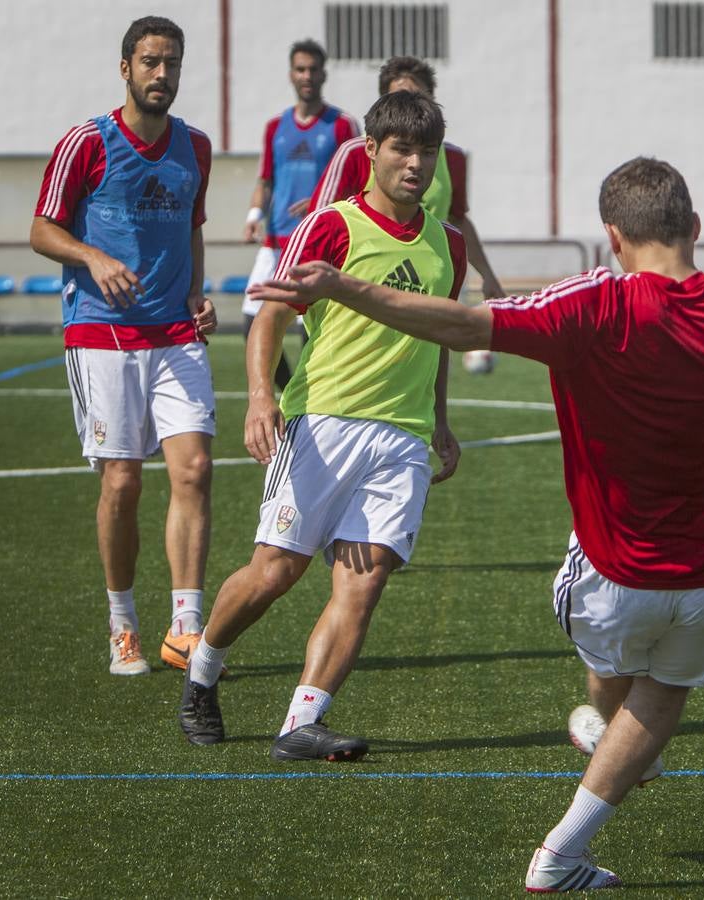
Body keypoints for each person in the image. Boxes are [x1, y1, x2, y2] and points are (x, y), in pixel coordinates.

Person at [249, 157, 704, 891]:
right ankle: (564, 846)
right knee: (665, 691)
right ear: (697, 227)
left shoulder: (586, 306)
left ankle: (595, 758)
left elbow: (459, 324)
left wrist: (345, 285)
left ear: (613, 237)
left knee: (618, 675)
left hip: (609, 578)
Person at [177, 90, 467, 759]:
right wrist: (259, 398)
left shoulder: (446, 245)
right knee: (275, 572)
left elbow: (440, 337)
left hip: (402, 436)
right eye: (401, 148)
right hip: (323, 424)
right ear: (371, 152)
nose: (415, 164)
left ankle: (300, 722)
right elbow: (270, 318)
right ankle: (202, 672)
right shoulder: (330, 226)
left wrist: (440, 422)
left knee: (363, 582)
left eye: (427, 152)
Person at [30, 16, 217, 677]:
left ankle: (186, 628)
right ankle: (123, 625)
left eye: (172, 63)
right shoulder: (87, 142)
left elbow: (193, 229)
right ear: (126, 68)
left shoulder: (195, 145)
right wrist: (92, 257)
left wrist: (196, 293)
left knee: (193, 471)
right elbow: (42, 229)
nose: (161, 74)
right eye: (149, 62)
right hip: (100, 332)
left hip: (174, 331)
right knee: (123, 481)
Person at [309, 55, 505, 301]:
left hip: (431, 271)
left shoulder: (453, 157)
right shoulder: (355, 152)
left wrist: (487, 275)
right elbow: (321, 222)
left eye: (417, 97)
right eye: (399, 98)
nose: (415, 163)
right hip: (366, 278)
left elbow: (458, 219)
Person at [241, 40, 360, 388]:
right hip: (275, 243)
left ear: (324, 73)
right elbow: (266, 180)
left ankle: (310, 402)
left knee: (311, 331)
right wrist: (253, 215)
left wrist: (323, 200)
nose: (307, 75)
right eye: (300, 69)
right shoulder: (275, 127)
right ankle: (291, 393)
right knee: (254, 321)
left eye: (313, 69)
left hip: (320, 243)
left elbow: (360, 184)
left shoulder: (343, 126)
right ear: (291, 74)